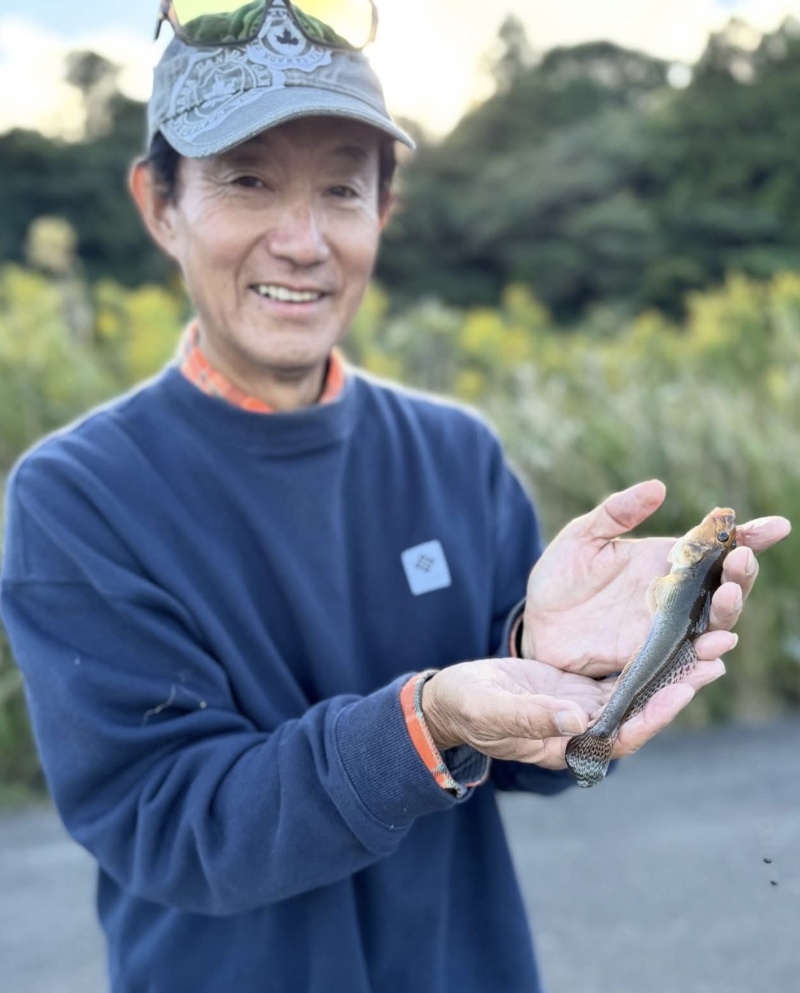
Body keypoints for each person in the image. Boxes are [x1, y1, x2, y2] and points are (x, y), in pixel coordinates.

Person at [0, 2, 790, 992]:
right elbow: (173, 825)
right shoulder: (79, 497)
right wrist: (425, 720)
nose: (301, 240)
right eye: (247, 180)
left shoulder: (452, 451)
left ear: (384, 211)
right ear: (159, 205)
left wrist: (554, 672)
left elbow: (527, 750)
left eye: (339, 189)